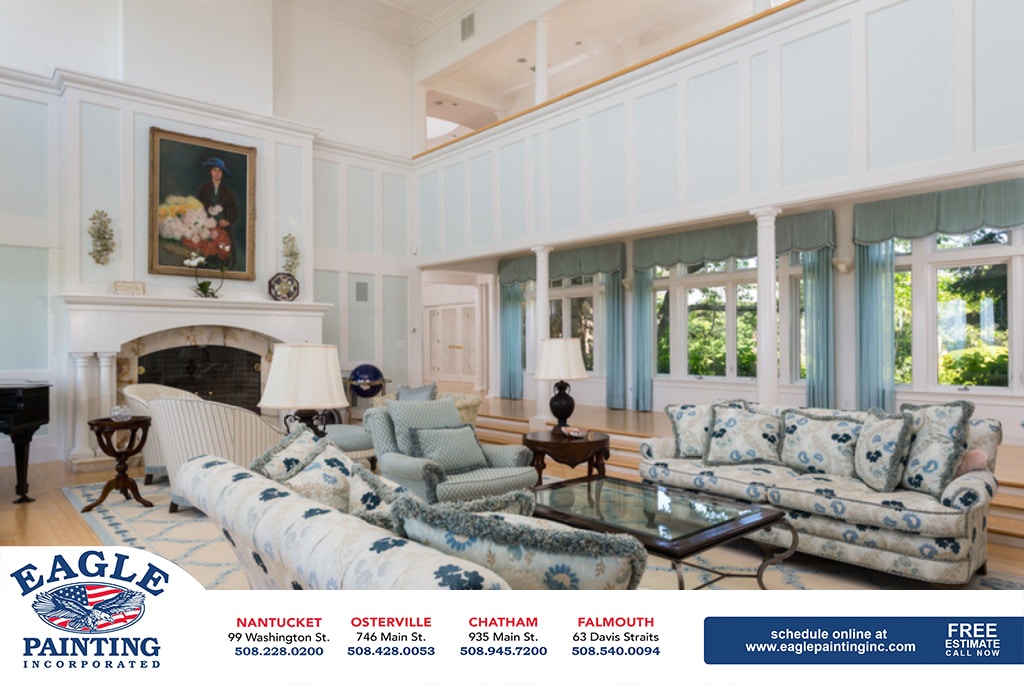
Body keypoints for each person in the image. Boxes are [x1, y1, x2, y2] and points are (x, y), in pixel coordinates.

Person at [195, 157, 239, 265]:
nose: (217, 173)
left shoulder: (227, 191)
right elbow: (197, 207)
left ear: (222, 173)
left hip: (222, 228)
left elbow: (234, 211)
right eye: (214, 170)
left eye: (219, 171)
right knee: (204, 253)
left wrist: (227, 221)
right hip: (206, 226)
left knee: (224, 253)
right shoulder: (204, 189)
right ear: (210, 171)